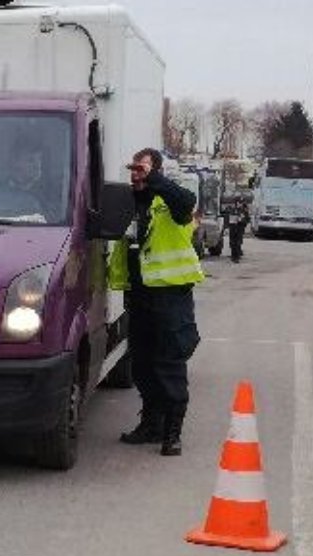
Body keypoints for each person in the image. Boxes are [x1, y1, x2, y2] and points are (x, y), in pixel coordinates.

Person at [110, 148, 204, 457]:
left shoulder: (171, 203)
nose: (136, 174)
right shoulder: (130, 203)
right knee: (143, 365)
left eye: (142, 169)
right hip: (139, 297)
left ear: (157, 172)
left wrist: (155, 180)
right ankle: (150, 424)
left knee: (169, 365)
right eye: (133, 169)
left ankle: (172, 434)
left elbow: (187, 203)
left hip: (170, 297)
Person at [0, 139, 51, 220]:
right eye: (30, 160)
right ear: (15, 163)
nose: (37, 166)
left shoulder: (47, 195)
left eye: (40, 159)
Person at [223, 195, 249, 263]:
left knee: (238, 242)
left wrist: (242, 220)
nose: (240, 204)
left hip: (240, 228)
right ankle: (233, 255)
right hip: (233, 228)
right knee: (232, 242)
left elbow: (247, 219)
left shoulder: (244, 210)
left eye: (241, 202)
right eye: (238, 202)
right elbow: (227, 218)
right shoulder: (231, 209)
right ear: (235, 202)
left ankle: (236, 257)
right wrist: (226, 227)